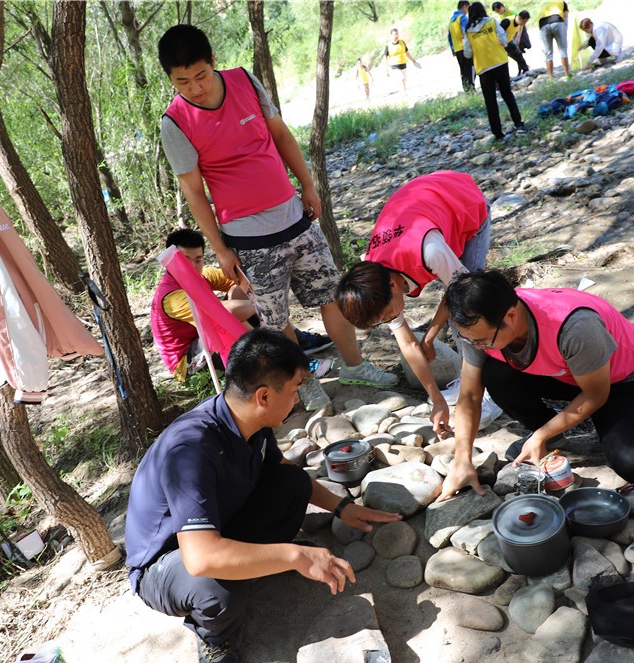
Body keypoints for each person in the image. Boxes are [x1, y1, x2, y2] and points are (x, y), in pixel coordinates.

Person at [125, 329, 402, 663]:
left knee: (292, 482)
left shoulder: (251, 421)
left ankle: (254, 565)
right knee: (217, 586)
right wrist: (293, 556)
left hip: (216, 529)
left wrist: (343, 507)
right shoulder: (192, 449)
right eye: (296, 389)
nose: (298, 399)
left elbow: (284, 469)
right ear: (264, 396)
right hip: (164, 565)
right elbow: (199, 559)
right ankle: (214, 638)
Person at [158, 25, 397, 413]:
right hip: (249, 238)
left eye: (200, 75)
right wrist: (219, 248)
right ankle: (305, 385)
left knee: (331, 297)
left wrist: (308, 185)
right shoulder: (176, 122)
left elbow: (281, 135)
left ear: (213, 62)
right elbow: (194, 191)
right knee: (275, 320)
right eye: (182, 81)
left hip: (294, 216)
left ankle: (355, 366)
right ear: (171, 79)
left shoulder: (244, 82)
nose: (195, 88)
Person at [435, 270, 634, 502]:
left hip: (616, 381)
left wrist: (539, 435)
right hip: (563, 376)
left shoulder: (575, 326)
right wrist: (462, 460)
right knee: (494, 373)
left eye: (482, 341)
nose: (476, 346)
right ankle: (554, 440)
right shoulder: (480, 326)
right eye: (470, 340)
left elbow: (596, 394)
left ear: (511, 317)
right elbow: (470, 397)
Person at [334, 171, 498, 436]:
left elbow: (462, 292)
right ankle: (469, 380)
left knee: (469, 308)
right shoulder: (373, 277)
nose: (390, 320)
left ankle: (488, 389)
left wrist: (431, 334)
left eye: (388, 315)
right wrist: (437, 399)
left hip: (463, 202)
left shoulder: (427, 251)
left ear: (392, 285)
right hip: (426, 205)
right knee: (459, 307)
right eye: (383, 321)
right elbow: (409, 343)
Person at [151, 228, 332, 382]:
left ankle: (293, 341)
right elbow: (224, 314)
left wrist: (260, 300)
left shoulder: (202, 275)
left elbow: (238, 280)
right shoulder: (172, 297)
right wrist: (268, 306)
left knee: (239, 292)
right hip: (189, 363)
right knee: (234, 317)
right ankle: (286, 362)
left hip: (206, 340)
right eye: (184, 259)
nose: (192, 265)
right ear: (172, 261)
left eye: (198, 259)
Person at [462, 2, 525, 139]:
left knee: (490, 101)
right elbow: (503, 40)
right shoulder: (491, 22)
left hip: (483, 68)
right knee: (507, 94)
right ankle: (519, 124)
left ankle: (497, 133)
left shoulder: (468, 30)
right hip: (500, 62)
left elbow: (467, 53)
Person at [492, 4, 530, 77]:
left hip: (509, 41)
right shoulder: (507, 21)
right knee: (502, 61)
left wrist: (518, 37)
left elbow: (521, 26)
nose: (524, 24)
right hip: (499, 43)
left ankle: (525, 70)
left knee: (518, 55)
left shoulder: (520, 23)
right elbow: (498, 33)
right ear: (519, 18)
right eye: (524, 22)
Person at [538, 1, 571, 79]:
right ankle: (567, 75)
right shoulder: (562, 2)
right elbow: (566, 16)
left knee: (548, 54)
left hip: (543, 25)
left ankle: (551, 78)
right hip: (557, 21)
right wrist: (565, 28)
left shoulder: (544, 3)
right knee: (563, 49)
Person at [383, 28, 420, 94]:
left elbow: (407, 52)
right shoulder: (388, 45)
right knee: (401, 79)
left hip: (403, 64)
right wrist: (387, 69)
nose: (396, 36)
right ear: (391, 35)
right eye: (395, 34)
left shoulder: (402, 42)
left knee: (405, 79)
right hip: (394, 66)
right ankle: (404, 93)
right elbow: (385, 58)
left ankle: (403, 91)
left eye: (397, 34)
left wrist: (413, 60)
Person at [448, 1, 475, 92]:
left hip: (457, 49)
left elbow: (449, 36)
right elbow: (466, 31)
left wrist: (453, 49)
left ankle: (467, 90)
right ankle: (472, 89)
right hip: (465, 48)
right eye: (468, 8)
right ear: (464, 7)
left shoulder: (452, 20)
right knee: (471, 69)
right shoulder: (462, 18)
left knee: (463, 71)